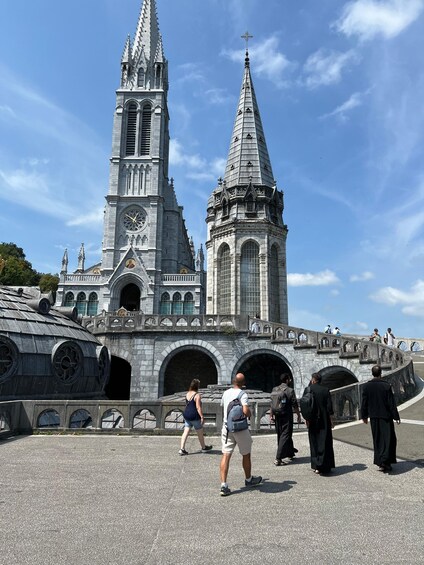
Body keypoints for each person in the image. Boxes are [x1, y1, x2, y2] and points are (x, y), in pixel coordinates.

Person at [219, 373, 262, 496]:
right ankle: (248, 479)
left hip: (227, 428)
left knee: (226, 455)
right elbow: (245, 410)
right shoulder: (243, 394)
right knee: (246, 454)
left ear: (233, 381)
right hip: (240, 429)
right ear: (243, 383)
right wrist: (250, 413)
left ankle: (224, 485)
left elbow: (223, 406)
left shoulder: (226, 393)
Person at [361, 365, 400, 473]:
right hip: (385, 417)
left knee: (377, 439)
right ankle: (386, 462)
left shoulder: (367, 386)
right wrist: (396, 416)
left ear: (372, 373)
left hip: (374, 417)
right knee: (388, 439)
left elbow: (364, 403)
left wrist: (364, 416)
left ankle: (380, 462)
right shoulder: (386, 386)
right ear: (380, 373)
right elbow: (391, 403)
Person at [305, 373, 335, 474]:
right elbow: (329, 408)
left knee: (314, 442)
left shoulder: (308, 389)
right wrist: (331, 420)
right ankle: (325, 465)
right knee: (325, 442)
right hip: (324, 419)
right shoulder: (325, 390)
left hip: (312, 419)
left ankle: (316, 465)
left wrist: (306, 418)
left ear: (313, 380)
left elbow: (305, 404)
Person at [270, 374, 301, 466]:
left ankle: (290, 452)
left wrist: (271, 415)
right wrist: (298, 415)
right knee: (286, 434)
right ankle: (278, 458)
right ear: (287, 380)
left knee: (281, 434)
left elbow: (272, 403)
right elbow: (294, 404)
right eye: (289, 379)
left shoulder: (274, 389)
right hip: (286, 416)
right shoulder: (290, 390)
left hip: (277, 416)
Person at [179, 379, 212, 455]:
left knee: (186, 432)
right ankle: (203, 447)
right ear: (197, 386)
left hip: (187, 415)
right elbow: (198, 407)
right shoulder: (197, 395)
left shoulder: (187, 394)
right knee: (200, 432)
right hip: (194, 416)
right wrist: (202, 416)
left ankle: (182, 449)